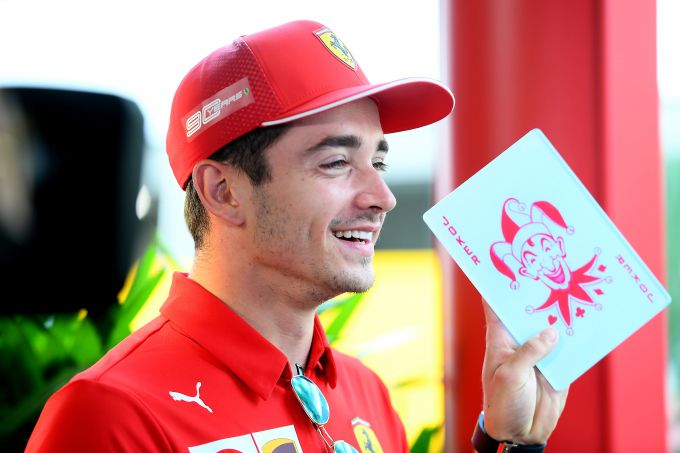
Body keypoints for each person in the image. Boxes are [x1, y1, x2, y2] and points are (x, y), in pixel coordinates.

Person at [26, 20, 568, 452]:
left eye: (378, 161)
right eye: (336, 162)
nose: (382, 196)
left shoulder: (366, 392)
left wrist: (509, 442)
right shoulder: (110, 414)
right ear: (223, 191)